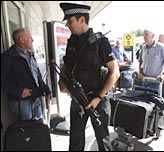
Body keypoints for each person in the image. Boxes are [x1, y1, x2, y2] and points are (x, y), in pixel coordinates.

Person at [59, 3, 120, 151]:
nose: (67, 24)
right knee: (75, 143)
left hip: (98, 100)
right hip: (77, 100)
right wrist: (62, 83)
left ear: (82, 20)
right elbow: (66, 65)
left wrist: (98, 97)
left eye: (70, 20)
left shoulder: (100, 42)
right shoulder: (71, 42)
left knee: (104, 142)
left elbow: (114, 72)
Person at [1, 27, 52, 121]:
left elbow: (37, 75)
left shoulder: (30, 55)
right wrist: (19, 91)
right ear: (22, 40)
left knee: (36, 130)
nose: (32, 40)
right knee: (25, 133)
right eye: (30, 37)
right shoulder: (7, 57)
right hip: (21, 103)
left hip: (35, 99)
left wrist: (46, 90)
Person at [138, 27, 164, 94]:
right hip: (145, 80)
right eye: (144, 34)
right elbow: (140, 61)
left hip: (156, 81)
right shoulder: (143, 48)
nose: (144, 36)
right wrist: (140, 72)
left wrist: (163, 75)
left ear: (153, 36)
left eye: (146, 34)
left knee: (155, 103)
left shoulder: (161, 47)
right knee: (144, 101)